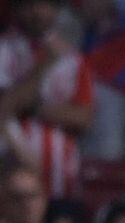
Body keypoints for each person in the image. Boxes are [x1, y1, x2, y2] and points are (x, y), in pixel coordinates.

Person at [0, 0, 96, 199]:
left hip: (62, 179)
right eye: (29, 4)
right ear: (16, 9)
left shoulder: (72, 58)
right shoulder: (3, 51)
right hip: (12, 179)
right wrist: (44, 65)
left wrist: (32, 107)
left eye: (43, 4)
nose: (36, 12)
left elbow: (84, 117)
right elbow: (3, 109)